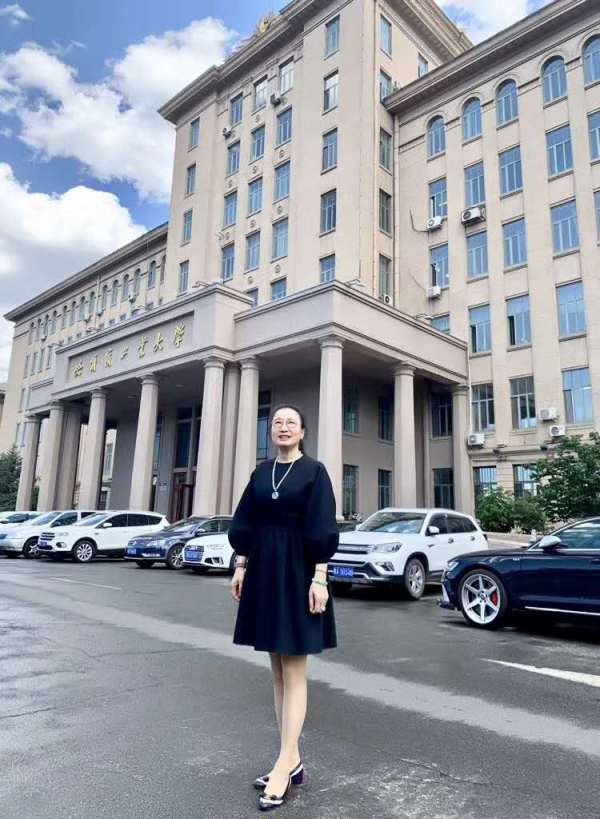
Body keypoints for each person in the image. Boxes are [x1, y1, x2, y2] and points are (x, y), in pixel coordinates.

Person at [229, 404, 339, 811]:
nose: (283, 427)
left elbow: (322, 525)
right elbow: (247, 521)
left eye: (291, 422)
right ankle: (290, 761)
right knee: (276, 669)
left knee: (294, 669)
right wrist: (241, 565)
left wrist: (320, 577)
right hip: (264, 570)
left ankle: (284, 765)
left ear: (303, 431)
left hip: (298, 571)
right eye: (277, 422)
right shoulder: (261, 473)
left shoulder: (314, 472)